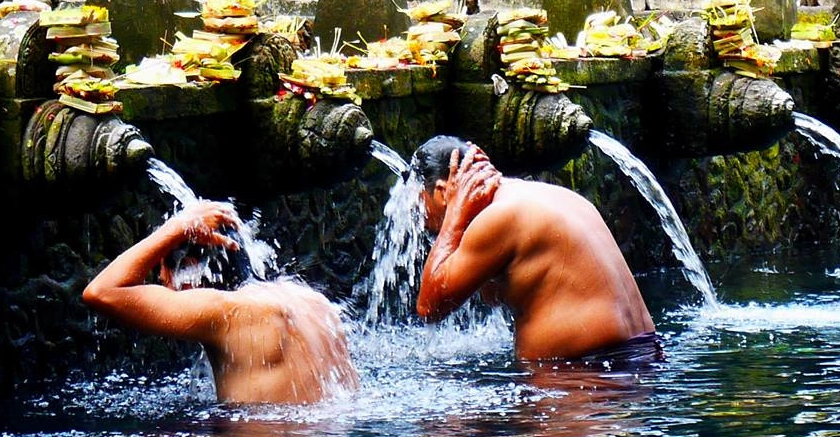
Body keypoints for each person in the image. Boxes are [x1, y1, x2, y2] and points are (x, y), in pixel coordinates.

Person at [412, 135, 659, 366]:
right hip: (642, 355)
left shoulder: (498, 217)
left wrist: (452, 221)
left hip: (584, 373)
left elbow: (430, 307)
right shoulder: (546, 195)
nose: (421, 220)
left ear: (443, 192)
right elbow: (493, 297)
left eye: (419, 205)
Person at [82, 200, 359, 404]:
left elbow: (101, 292)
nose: (165, 286)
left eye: (162, 274)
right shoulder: (312, 302)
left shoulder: (225, 312)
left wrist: (175, 228)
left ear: (190, 267)